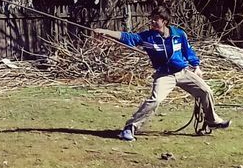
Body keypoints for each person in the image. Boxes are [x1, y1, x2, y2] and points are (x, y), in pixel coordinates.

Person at [93, 11, 229, 141]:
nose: (152, 22)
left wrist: (197, 66)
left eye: (155, 19)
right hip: (164, 75)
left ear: (164, 21)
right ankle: (130, 127)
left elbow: (188, 51)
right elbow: (127, 37)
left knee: (206, 91)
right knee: (155, 100)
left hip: (182, 72)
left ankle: (212, 121)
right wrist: (106, 32)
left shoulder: (179, 34)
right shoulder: (148, 37)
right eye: (151, 19)